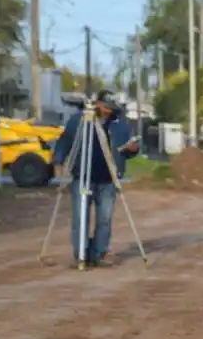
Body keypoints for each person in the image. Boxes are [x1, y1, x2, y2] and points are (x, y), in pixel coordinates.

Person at [52, 91, 138, 268]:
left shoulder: (119, 123)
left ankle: (99, 253)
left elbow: (127, 149)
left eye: (111, 108)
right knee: (80, 217)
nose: (109, 111)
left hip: (108, 178)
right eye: (106, 107)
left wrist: (133, 149)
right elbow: (65, 141)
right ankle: (81, 254)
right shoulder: (80, 120)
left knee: (104, 218)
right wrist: (58, 163)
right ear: (98, 104)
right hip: (82, 176)